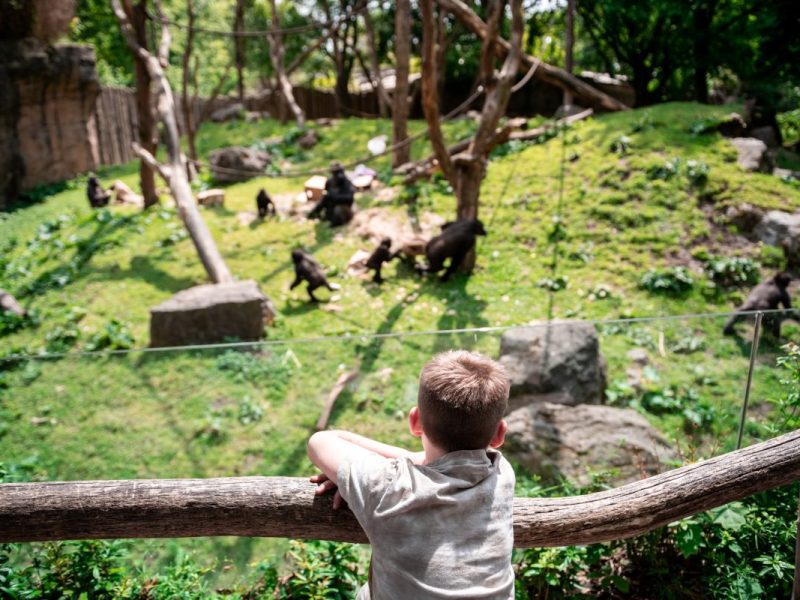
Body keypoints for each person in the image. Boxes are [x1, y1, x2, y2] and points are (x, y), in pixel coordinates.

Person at [307, 350, 515, 599]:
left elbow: (322, 440)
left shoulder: (389, 487)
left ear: (415, 421)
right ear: (499, 434)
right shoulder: (501, 474)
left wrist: (349, 475)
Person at [308, 161, 355, 226]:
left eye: (340, 172)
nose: (339, 175)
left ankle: (334, 223)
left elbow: (350, 198)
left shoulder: (347, 183)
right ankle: (314, 214)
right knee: (324, 199)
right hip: (332, 206)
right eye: (336, 173)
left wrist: (335, 197)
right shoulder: (330, 181)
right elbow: (325, 193)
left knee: (338, 209)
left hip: (343, 206)